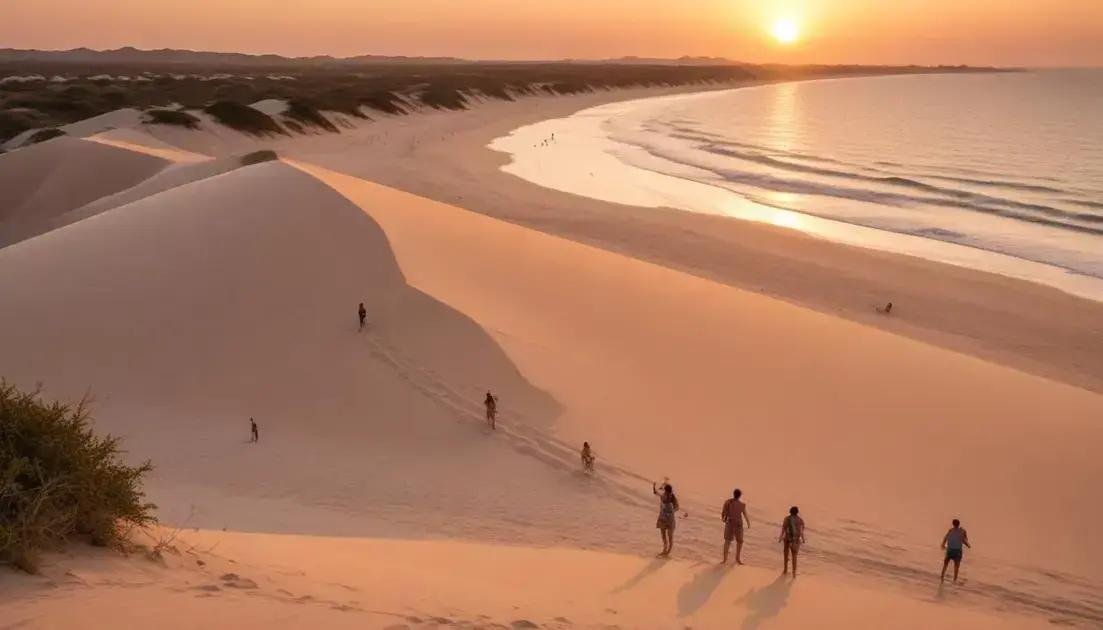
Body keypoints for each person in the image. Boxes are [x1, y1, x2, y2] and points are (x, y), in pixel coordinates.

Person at [721, 489, 751, 565]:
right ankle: (737, 558)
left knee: (727, 541)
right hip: (738, 524)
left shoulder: (728, 502)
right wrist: (748, 523)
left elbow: (723, 513)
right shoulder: (742, 505)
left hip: (730, 523)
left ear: (733, 494)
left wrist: (724, 520)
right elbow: (745, 515)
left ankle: (724, 559)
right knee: (740, 542)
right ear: (740, 496)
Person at [653, 482, 680, 557]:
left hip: (670, 519)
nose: (666, 493)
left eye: (667, 491)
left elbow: (677, 507)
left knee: (670, 535)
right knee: (663, 535)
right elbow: (655, 493)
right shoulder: (663, 495)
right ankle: (664, 550)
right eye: (666, 491)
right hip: (662, 518)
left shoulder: (673, 498)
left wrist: (671, 511)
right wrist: (654, 486)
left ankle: (668, 552)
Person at [941, 518, 971, 582]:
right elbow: (964, 540)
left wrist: (943, 545)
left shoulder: (950, 530)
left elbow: (945, 538)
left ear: (953, 524)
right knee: (956, 566)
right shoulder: (962, 531)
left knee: (945, 564)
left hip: (950, 550)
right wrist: (968, 545)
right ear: (959, 524)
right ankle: (955, 579)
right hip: (957, 551)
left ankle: (942, 576)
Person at [779, 506, 805, 576]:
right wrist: (803, 539)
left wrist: (780, 538)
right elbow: (801, 531)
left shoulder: (787, 519)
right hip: (796, 540)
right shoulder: (800, 520)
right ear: (797, 512)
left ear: (790, 511)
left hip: (787, 539)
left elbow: (783, 529)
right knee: (794, 556)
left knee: (786, 554)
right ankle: (794, 572)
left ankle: (785, 569)